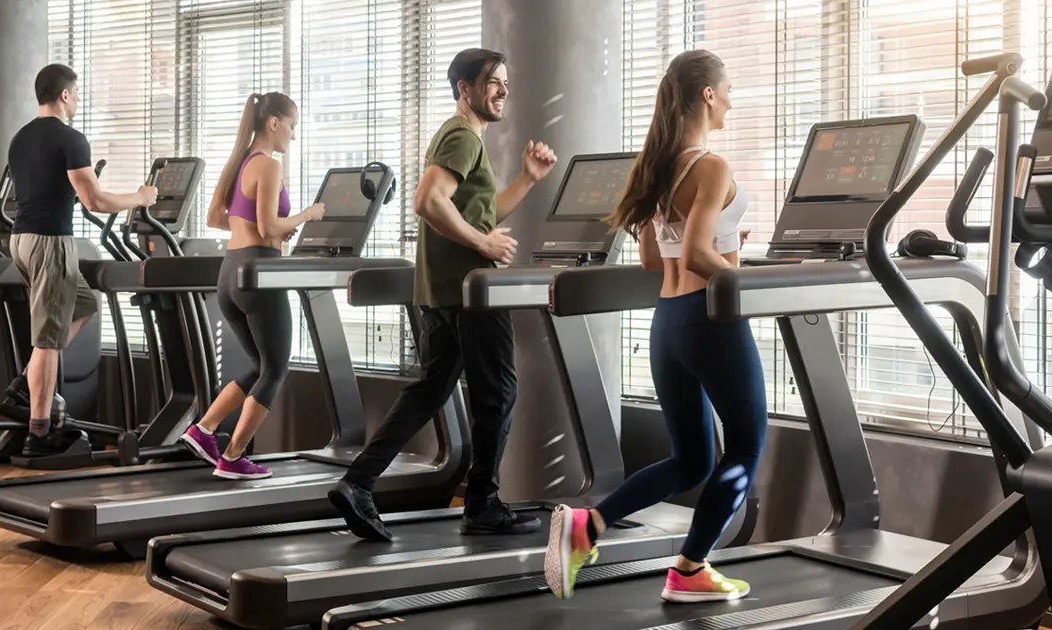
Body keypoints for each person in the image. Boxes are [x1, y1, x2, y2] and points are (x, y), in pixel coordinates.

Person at [543, 49, 767, 603]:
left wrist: (728, 247)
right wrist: (756, 285)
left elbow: (652, 258)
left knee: (690, 459)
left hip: (667, 323)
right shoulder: (710, 166)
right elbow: (695, 253)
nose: (732, 101)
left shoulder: (659, 166)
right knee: (744, 448)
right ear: (709, 94)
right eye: (729, 90)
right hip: (711, 322)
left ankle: (588, 526)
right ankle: (690, 569)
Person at [327, 48, 558, 541]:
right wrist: (482, 244)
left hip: (443, 292)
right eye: (493, 82)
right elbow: (428, 202)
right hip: (470, 294)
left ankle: (359, 482)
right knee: (499, 393)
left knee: (430, 390)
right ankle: (483, 504)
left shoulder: (462, 138)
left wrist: (526, 181)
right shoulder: (461, 135)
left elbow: (477, 212)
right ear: (465, 88)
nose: (502, 91)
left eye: (505, 84)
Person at [9, 64, 158, 457]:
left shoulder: (21, 138)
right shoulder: (71, 139)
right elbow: (95, 199)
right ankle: (38, 435)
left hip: (21, 240)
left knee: (84, 304)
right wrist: (140, 198)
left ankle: (26, 385)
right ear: (64, 95)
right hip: (49, 242)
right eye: (76, 94)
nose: (77, 101)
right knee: (47, 339)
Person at [177, 92, 326, 480]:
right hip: (259, 275)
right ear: (274, 122)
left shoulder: (238, 162)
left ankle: (203, 429)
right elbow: (268, 228)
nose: (292, 135)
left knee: (260, 365)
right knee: (276, 369)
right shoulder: (269, 166)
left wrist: (266, 231)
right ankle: (233, 456)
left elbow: (216, 218)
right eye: (291, 125)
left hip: (230, 273)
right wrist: (306, 215)